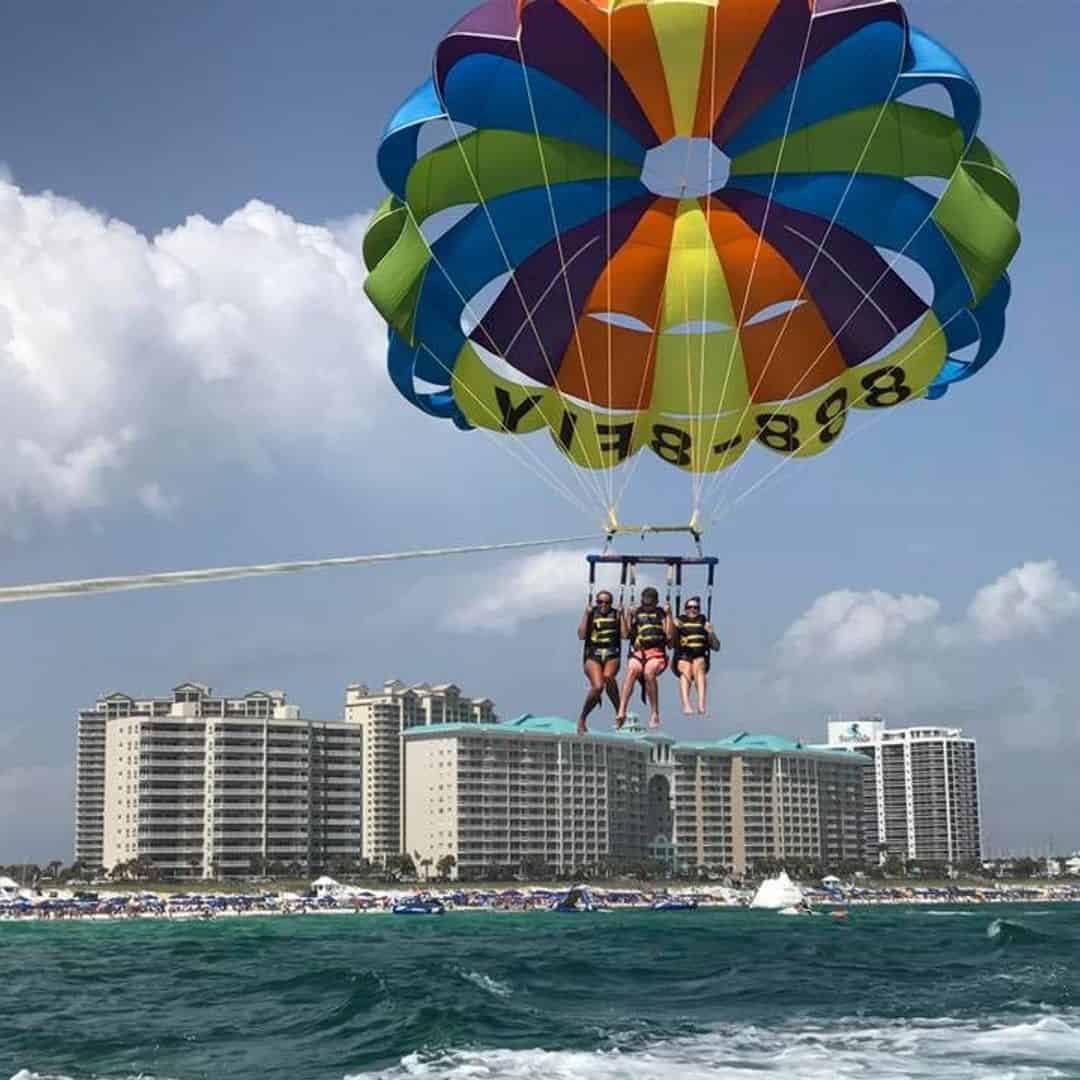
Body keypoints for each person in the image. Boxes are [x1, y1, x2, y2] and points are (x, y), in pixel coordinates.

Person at [615, 586, 673, 730]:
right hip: (639, 652)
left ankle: (654, 712)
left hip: (657, 653)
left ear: (656, 602)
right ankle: (621, 709)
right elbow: (625, 635)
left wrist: (669, 615)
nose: (646, 606)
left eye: (650, 604)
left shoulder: (662, 614)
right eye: (644, 603)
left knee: (649, 672)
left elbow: (670, 637)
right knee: (632, 671)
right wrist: (626, 615)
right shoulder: (636, 613)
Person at [576, 590, 622, 734]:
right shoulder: (591, 613)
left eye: (607, 602)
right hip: (593, 655)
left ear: (611, 603)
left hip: (611, 654)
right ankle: (583, 718)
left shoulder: (616, 614)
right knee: (598, 687)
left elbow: (626, 635)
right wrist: (586, 614)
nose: (603, 605)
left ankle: (619, 711)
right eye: (600, 602)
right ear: (596, 602)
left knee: (608, 677)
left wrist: (623, 616)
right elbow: (581, 636)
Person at [672, 596, 720, 715]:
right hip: (683, 657)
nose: (692, 610)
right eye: (689, 607)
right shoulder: (679, 621)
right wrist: (674, 627)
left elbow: (716, 647)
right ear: (685, 609)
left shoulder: (704, 622)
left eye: (695, 607)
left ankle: (701, 704)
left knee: (698, 665)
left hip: (699, 658)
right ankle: (686, 705)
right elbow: (670, 643)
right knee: (686, 668)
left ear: (699, 609)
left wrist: (710, 632)